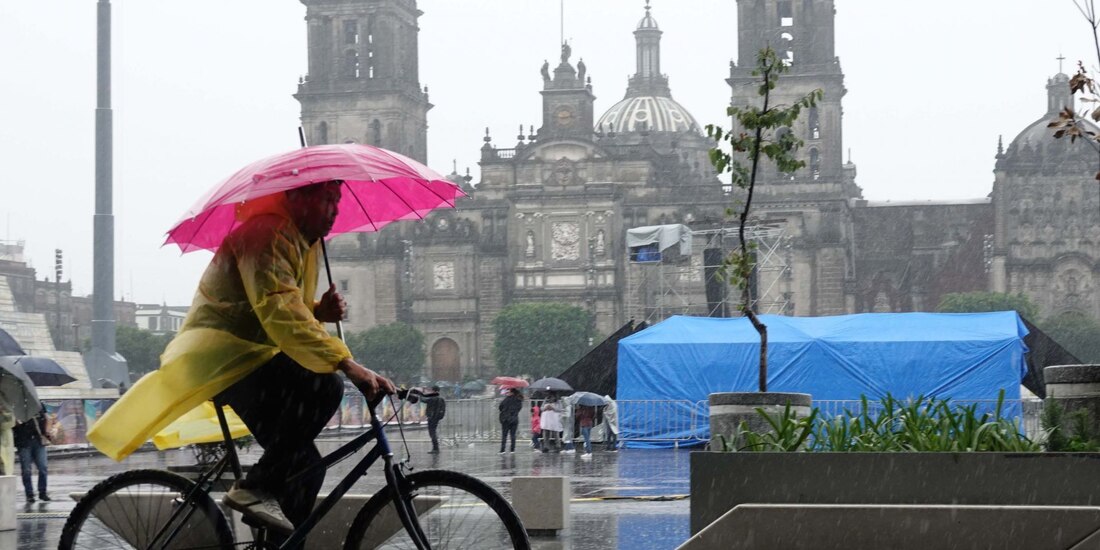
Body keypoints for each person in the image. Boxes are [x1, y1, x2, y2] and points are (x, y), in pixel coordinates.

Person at [87, 181, 396, 541]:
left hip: (249, 357)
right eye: (327, 199)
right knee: (324, 385)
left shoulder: (302, 242)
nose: (335, 210)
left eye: (337, 200)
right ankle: (254, 488)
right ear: (296, 198)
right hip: (221, 356)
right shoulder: (267, 233)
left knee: (305, 468)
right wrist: (347, 364)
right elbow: (278, 309)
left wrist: (317, 310)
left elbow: (280, 304)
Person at [13, 406, 49, 503]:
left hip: (38, 440)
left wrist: (46, 431)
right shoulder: (16, 406)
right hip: (23, 442)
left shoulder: (37, 404)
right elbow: (13, 423)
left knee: (43, 467)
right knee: (26, 470)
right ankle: (29, 494)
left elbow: (45, 418)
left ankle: (43, 492)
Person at [419, 385, 446, 453]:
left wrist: (420, 393)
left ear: (433, 390)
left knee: (432, 432)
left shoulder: (433, 398)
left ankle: (435, 448)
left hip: (432, 417)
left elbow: (423, 400)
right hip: (437, 418)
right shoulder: (441, 398)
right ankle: (436, 448)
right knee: (433, 431)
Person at [498, 388, 523, 454]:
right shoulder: (518, 400)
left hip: (505, 419)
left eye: (508, 392)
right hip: (514, 419)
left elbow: (500, 407)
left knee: (504, 435)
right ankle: (512, 450)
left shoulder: (506, 399)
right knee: (513, 435)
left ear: (512, 392)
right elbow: (519, 409)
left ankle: (502, 450)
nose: (507, 393)